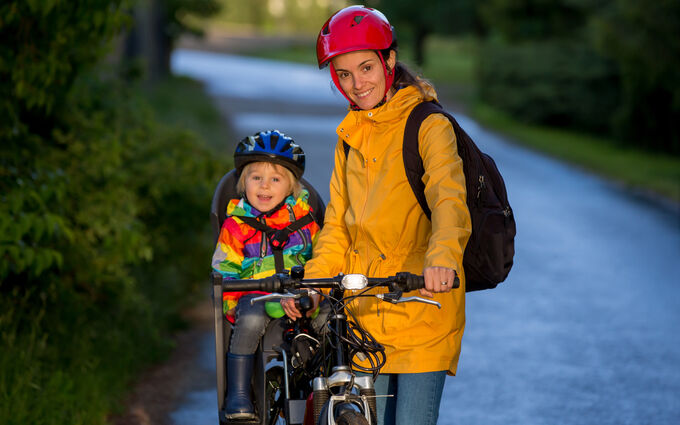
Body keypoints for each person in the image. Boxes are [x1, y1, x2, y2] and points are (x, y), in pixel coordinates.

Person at [304, 6, 472, 425]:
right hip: (363, 320)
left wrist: (443, 260)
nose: (357, 84)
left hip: (422, 306)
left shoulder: (428, 126)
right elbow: (338, 226)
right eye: (343, 74)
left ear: (389, 60)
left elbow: (449, 201)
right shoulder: (349, 137)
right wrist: (314, 285)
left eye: (365, 68)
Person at [212, 129, 322, 420]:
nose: (264, 186)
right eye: (256, 177)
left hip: (299, 294)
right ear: (243, 183)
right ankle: (238, 394)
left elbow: (321, 261)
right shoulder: (236, 225)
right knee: (250, 319)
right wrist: (234, 301)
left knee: (329, 319)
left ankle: (331, 384)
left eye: (275, 179)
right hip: (256, 294)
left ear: (291, 187)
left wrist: (313, 294)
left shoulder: (305, 221)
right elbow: (224, 270)